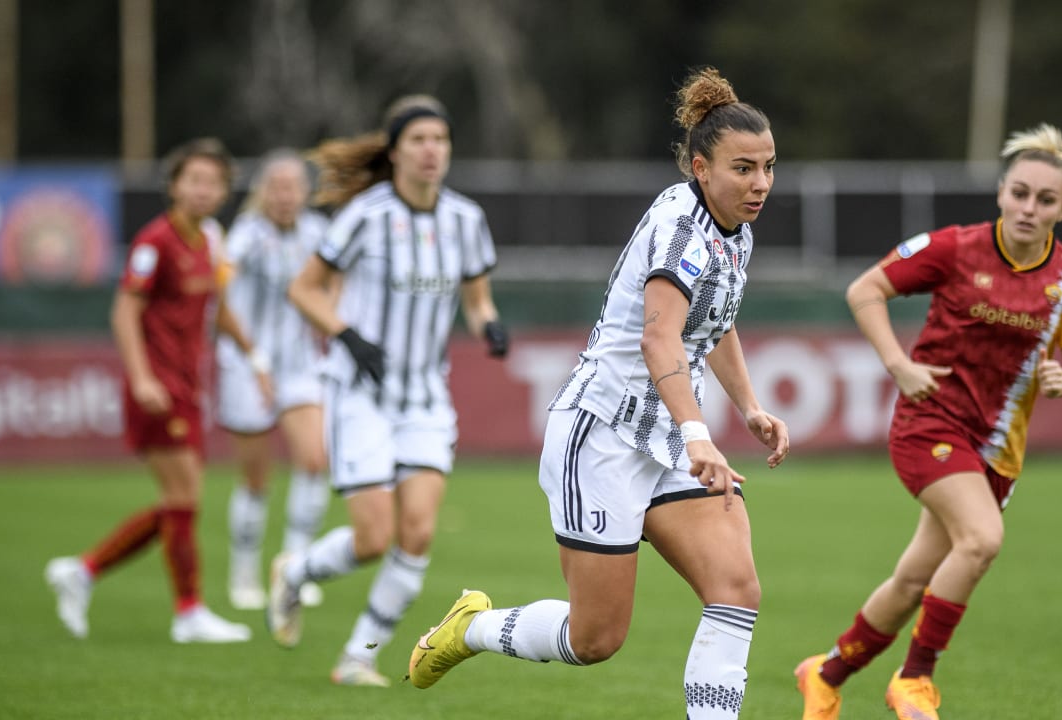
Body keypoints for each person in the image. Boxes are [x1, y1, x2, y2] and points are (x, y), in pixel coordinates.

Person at [405, 67, 791, 720]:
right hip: (603, 433)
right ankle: (470, 627)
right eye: (743, 169)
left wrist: (749, 406)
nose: (760, 184)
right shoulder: (681, 229)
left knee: (736, 589)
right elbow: (659, 339)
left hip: (665, 438)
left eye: (769, 167)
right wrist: (701, 436)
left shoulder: (735, 230)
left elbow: (713, 326)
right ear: (701, 167)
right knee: (595, 638)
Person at [793, 123, 1062, 720]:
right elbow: (866, 289)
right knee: (982, 540)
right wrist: (897, 364)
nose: (1029, 208)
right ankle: (915, 679)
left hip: (997, 451)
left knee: (913, 582)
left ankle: (825, 675)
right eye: (1019, 193)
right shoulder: (954, 248)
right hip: (929, 427)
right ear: (1000, 192)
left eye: (1044, 199)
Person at [269, 94, 511, 687]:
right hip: (360, 395)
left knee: (419, 532)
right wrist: (346, 335)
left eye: (441, 140)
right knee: (373, 537)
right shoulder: (366, 215)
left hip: (426, 396)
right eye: (419, 140)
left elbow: (477, 301)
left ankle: (357, 657)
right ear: (395, 151)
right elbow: (306, 289)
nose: (432, 151)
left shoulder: (465, 220)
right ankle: (296, 573)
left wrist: (490, 327)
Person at [45, 138, 266, 643]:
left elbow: (220, 308)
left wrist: (255, 358)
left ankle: (83, 571)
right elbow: (124, 310)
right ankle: (188, 611)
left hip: (188, 387)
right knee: (184, 498)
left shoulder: (211, 239)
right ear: (174, 185)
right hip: (157, 388)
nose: (203, 190)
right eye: (194, 180)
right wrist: (141, 377)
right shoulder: (155, 241)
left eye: (213, 182)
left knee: (179, 503)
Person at [215, 149, 331, 611]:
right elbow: (217, 299)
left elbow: (333, 288)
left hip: (301, 366)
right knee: (256, 479)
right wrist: (255, 357)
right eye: (276, 188)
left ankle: (294, 568)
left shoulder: (318, 234)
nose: (284, 197)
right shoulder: (244, 237)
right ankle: (243, 570)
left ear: (304, 193)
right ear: (264, 192)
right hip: (247, 363)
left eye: (293, 188)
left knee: (314, 460)